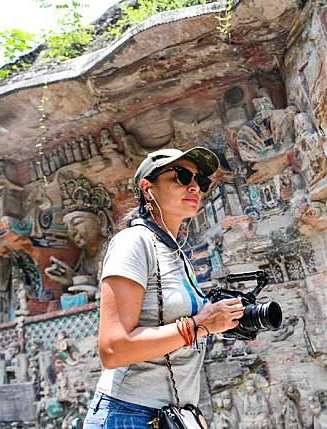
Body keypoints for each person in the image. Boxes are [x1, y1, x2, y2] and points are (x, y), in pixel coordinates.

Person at [83, 147, 244, 428]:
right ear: (148, 188)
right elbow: (113, 349)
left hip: (173, 415)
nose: (194, 186)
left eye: (201, 182)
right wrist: (200, 324)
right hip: (128, 415)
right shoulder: (134, 242)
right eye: (181, 176)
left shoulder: (175, 250)